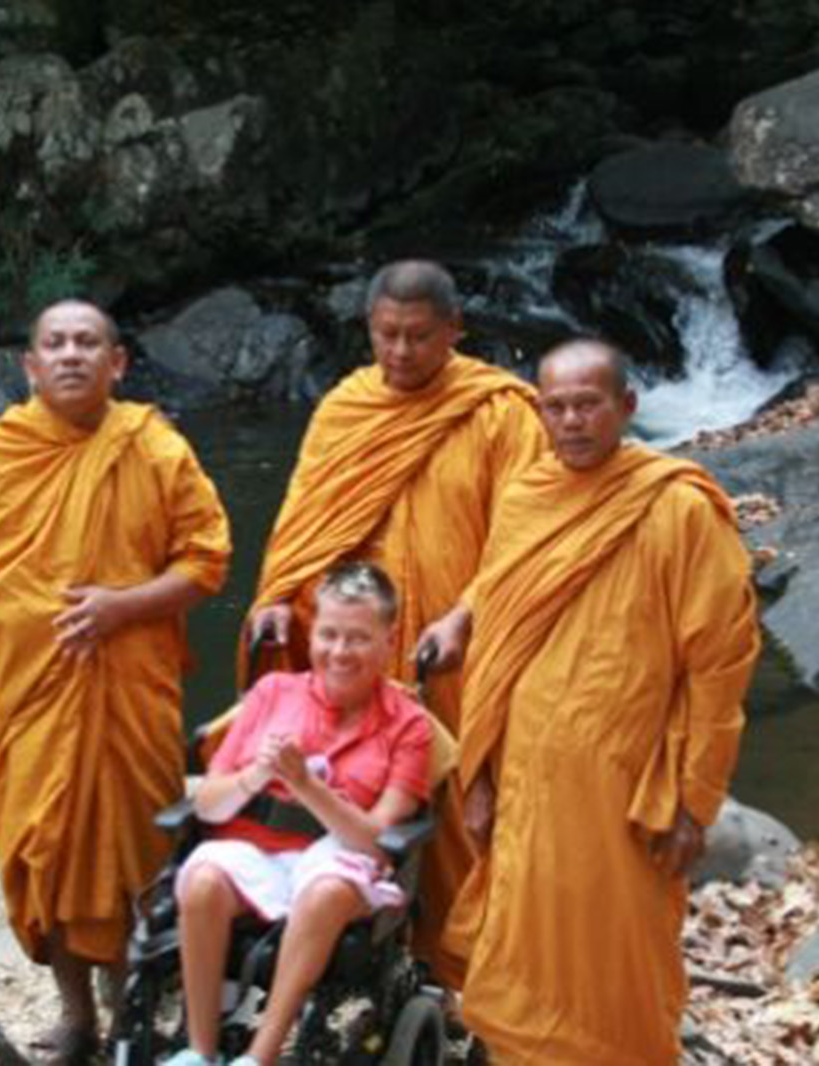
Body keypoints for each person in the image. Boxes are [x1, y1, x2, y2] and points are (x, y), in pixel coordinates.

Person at [429, 338, 760, 1064]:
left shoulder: (677, 508)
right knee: (519, 957)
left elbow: (719, 665)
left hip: (627, 786)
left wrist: (696, 800)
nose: (572, 422)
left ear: (627, 408)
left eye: (589, 405)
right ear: (539, 411)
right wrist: (478, 775)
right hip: (525, 780)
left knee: (617, 961)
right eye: (557, 407)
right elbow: (502, 619)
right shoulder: (527, 498)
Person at [0, 299, 233, 1063]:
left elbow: (206, 562)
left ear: (118, 362)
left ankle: (129, 1005)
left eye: (87, 342)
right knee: (47, 848)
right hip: (38, 691)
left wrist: (121, 607)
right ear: (30, 367)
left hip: (132, 690)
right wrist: (46, 626)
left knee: (136, 854)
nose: (71, 355)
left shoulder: (157, 450)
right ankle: (76, 1018)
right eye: (55, 344)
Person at [241, 259, 544, 981]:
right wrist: (278, 597)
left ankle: (475, 964)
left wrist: (467, 614)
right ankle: (358, 947)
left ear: (455, 331)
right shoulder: (347, 406)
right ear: (368, 328)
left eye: (418, 336)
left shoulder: (502, 412)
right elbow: (302, 522)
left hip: (456, 649)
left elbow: (526, 535)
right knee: (341, 790)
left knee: (469, 801)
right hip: (350, 649)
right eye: (387, 335)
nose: (401, 352)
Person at [166, 561, 434, 1066]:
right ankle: (198, 1051)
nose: (338, 651)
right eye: (328, 634)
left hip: (340, 863)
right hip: (254, 847)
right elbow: (207, 802)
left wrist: (306, 785)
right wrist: (256, 776)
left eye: (357, 638)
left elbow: (377, 841)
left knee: (327, 887)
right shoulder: (272, 694)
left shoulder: (410, 725)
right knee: (199, 878)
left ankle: (260, 1056)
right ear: (312, 632)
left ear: (386, 639)